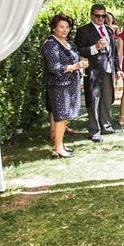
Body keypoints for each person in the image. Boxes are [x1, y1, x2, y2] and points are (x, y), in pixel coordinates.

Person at [41, 14, 88, 158]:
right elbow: (54, 67)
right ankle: (57, 148)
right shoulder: (50, 44)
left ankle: (60, 144)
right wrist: (75, 66)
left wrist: (80, 65)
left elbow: (76, 57)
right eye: (61, 26)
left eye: (67, 27)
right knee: (60, 116)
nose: (64, 30)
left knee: (64, 115)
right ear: (54, 27)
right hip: (58, 85)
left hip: (70, 84)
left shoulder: (69, 43)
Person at [75, 4, 123, 143]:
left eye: (103, 16)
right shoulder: (83, 30)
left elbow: (113, 52)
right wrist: (95, 47)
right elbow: (80, 50)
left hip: (108, 70)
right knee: (93, 100)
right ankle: (94, 131)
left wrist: (118, 69)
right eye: (97, 16)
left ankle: (106, 126)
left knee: (107, 100)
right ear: (91, 15)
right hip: (93, 71)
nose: (100, 18)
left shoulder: (109, 30)